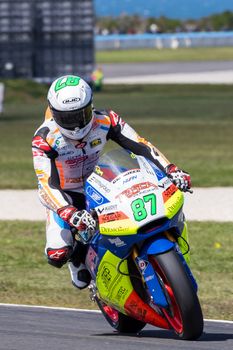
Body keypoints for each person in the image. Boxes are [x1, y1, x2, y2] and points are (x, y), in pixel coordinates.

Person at [32, 75, 191, 290]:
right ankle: (77, 259)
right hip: (65, 194)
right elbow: (46, 185)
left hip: (99, 182)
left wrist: (171, 169)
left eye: (81, 115)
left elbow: (141, 145)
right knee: (57, 253)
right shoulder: (44, 138)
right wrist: (68, 211)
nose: (76, 126)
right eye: (67, 118)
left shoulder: (107, 119)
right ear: (53, 112)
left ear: (91, 107)